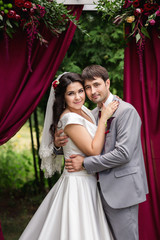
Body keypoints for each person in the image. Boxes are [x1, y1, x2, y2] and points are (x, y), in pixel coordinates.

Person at [19, 72, 119, 240]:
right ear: (63, 97)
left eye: (80, 91)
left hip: (89, 181)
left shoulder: (84, 110)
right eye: (71, 94)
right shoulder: (70, 118)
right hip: (78, 184)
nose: (78, 97)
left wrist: (58, 145)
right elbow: (93, 150)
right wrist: (104, 120)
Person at [55, 65, 149, 240]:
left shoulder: (126, 111)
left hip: (121, 190)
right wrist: (58, 145)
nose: (92, 91)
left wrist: (84, 163)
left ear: (107, 83)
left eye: (97, 85)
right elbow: (81, 144)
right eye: (88, 87)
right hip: (95, 191)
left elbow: (123, 154)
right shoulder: (91, 114)